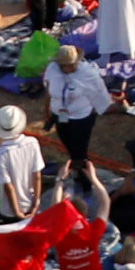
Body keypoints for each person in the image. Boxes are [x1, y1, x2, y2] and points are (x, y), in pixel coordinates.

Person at [47, 41, 114, 173]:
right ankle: (77, 166)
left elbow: (100, 94)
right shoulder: (53, 69)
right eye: (69, 65)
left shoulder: (88, 74)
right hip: (61, 115)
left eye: (74, 63)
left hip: (81, 119)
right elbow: (48, 89)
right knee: (69, 146)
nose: (73, 67)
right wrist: (47, 113)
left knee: (79, 151)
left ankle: (84, 177)